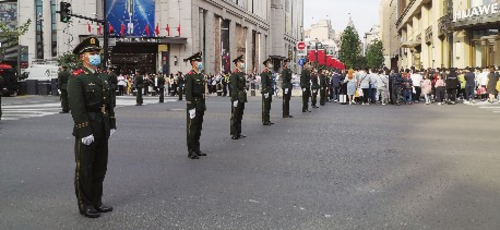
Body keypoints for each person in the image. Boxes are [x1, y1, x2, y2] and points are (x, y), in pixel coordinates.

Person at [67, 36, 116, 218]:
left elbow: (109, 102)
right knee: (85, 168)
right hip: (88, 125)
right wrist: (84, 130)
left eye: (97, 52)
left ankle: (97, 200)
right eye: (91, 52)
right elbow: (77, 108)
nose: (95, 55)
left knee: (100, 166)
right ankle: (85, 204)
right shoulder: (77, 78)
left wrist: (111, 122)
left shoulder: (101, 76)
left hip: (102, 125)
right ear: (82, 56)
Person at [184, 52, 207, 159]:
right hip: (193, 104)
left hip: (200, 104)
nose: (200, 63)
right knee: (192, 128)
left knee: (198, 128)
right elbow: (188, 93)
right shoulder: (190, 76)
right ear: (193, 63)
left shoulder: (200, 75)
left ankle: (197, 148)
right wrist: (190, 107)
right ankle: (191, 150)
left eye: (200, 61)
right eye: (198, 61)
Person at [230, 55, 247, 140]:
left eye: (243, 62)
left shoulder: (241, 73)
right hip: (237, 97)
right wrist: (235, 99)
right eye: (241, 62)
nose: (242, 63)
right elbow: (233, 87)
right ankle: (234, 133)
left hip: (242, 96)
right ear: (237, 63)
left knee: (240, 115)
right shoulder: (235, 74)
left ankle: (239, 132)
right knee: (235, 116)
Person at [261, 57, 274, 126]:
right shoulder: (264, 73)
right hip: (266, 91)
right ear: (266, 64)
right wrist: (265, 92)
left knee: (268, 106)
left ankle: (268, 119)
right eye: (269, 63)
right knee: (265, 106)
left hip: (270, 91)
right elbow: (264, 84)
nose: (270, 64)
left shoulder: (269, 72)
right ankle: (265, 120)